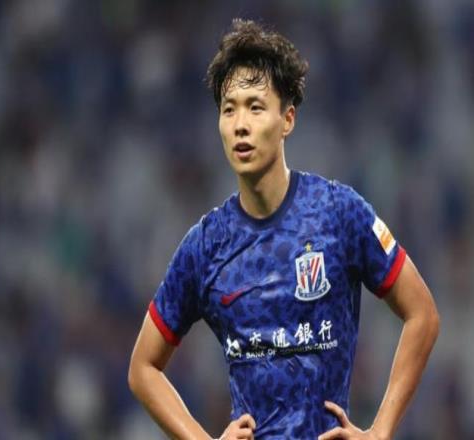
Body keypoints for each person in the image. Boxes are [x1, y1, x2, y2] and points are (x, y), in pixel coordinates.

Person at [128, 19, 440, 440]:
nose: (240, 124)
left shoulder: (339, 213)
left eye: (255, 107)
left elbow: (422, 314)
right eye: (229, 109)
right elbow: (143, 368)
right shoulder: (205, 246)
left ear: (287, 119)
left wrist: (381, 431)